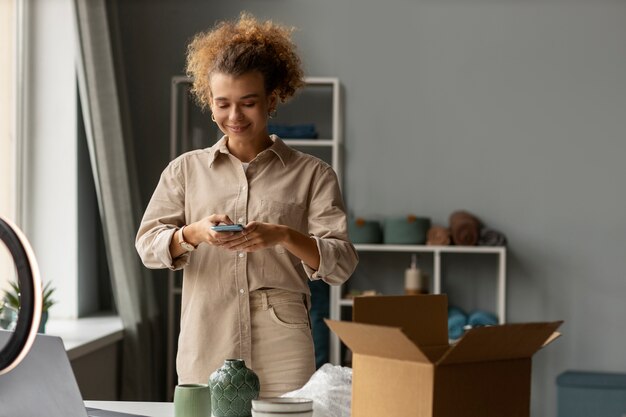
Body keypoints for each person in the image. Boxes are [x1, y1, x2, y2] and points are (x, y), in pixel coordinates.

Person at [135, 13, 358, 397]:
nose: (234, 116)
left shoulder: (314, 174)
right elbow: (148, 246)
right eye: (223, 104)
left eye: (248, 103)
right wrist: (193, 233)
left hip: (283, 340)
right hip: (207, 332)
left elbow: (341, 262)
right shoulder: (185, 171)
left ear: (272, 100)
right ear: (209, 102)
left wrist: (284, 235)